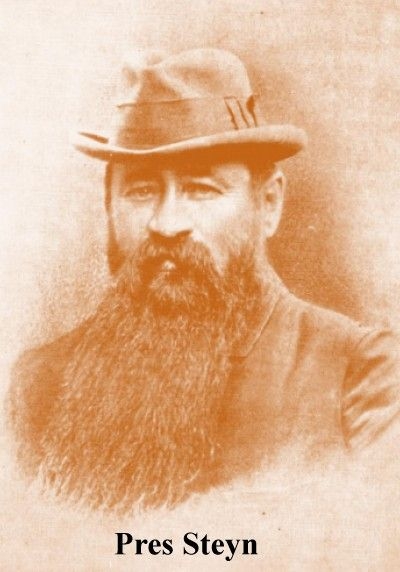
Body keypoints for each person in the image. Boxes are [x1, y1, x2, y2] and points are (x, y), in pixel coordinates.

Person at [6, 48, 400, 515]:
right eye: (141, 190)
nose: (167, 223)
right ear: (108, 205)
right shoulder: (39, 383)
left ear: (268, 204)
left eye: (201, 189)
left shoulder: (361, 374)